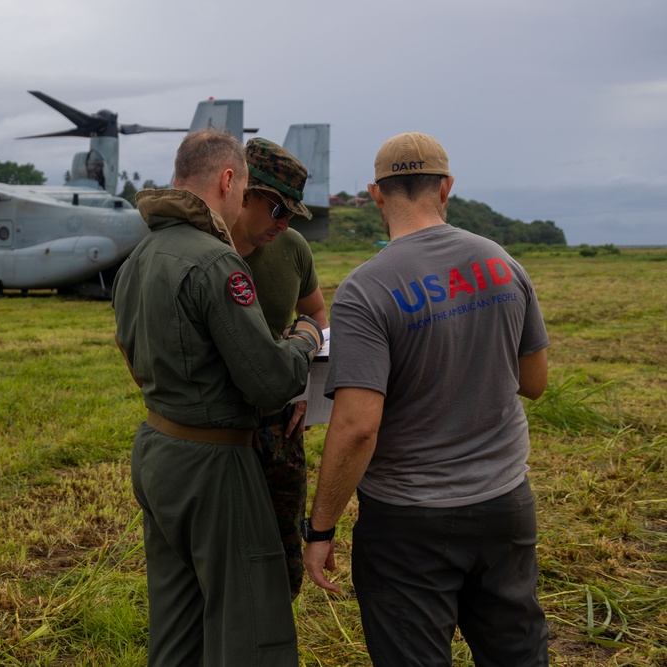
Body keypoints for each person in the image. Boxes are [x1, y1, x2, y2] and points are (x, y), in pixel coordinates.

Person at [301, 132, 550, 666]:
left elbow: (358, 426)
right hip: (505, 500)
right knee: (518, 653)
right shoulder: (503, 263)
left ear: (374, 194)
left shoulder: (366, 290)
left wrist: (320, 526)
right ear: (447, 188)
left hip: (408, 523)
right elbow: (534, 382)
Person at [112, 128, 324, 667]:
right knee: (252, 625)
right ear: (230, 180)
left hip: (158, 448)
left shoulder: (139, 257)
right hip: (215, 465)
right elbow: (272, 381)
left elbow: (133, 357)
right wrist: (305, 338)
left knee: (178, 624)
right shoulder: (217, 263)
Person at [231, 137, 327, 600]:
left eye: (292, 213)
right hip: (220, 427)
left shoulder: (291, 248)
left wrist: (307, 387)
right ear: (242, 192)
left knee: (283, 553)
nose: (285, 223)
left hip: (278, 426)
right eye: (276, 210)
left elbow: (317, 317)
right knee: (225, 550)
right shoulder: (201, 251)